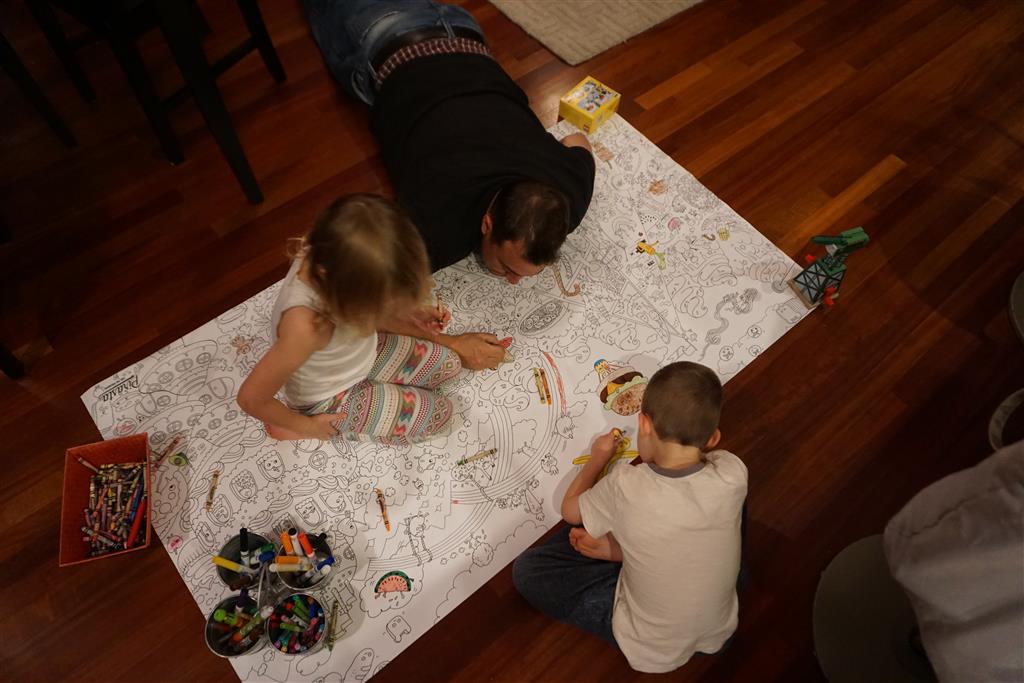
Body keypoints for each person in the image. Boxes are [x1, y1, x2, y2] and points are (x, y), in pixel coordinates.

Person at [305, 0, 597, 368]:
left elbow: (577, 141)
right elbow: (347, 303)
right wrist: (450, 343)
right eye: (507, 267)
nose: (512, 282)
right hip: (382, 42)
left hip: (464, 33)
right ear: (486, 223)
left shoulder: (569, 196)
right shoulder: (436, 230)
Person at [512, 362, 748, 673]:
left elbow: (570, 511)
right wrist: (616, 549)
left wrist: (597, 459)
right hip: (721, 631)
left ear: (643, 424)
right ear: (713, 439)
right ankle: (625, 551)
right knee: (730, 502)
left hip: (652, 648)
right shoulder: (733, 471)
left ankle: (623, 554)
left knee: (528, 570)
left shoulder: (625, 484)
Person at [237, 194, 465, 444]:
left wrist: (411, 311)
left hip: (358, 356)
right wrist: (308, 426)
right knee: (441, 414)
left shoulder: (331, 247)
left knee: (450, 366)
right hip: (330, 396)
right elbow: (251, 399)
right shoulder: (305, 328)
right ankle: (300, 428)